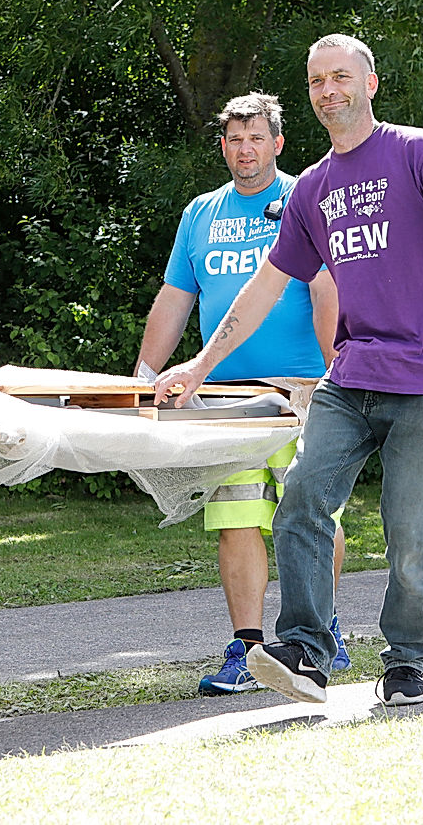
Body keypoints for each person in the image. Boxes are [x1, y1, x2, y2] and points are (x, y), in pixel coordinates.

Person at [154, 34, 423, 707]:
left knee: (410, 532)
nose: (329, 90)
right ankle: (305, 651)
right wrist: (202, 364)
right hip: (351, 378)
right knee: (299, 504)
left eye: (341, 77)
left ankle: (407, 662)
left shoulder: (418, 153)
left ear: (370, 84)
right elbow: (265, 285)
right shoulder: (315, 188)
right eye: (318, 80)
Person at [136, 92, 349, 696]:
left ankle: (318, 633)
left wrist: (335, 366)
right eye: (234, 139)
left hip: (304, 387)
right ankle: (248, 647)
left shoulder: (303, 200)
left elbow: (327, 288)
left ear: (278, 143)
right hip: (223, 392)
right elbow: (176, 297)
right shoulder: (199, 214)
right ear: (223, 145)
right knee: (236, 519)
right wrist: (145, 374)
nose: (245, 150)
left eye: (256, 138)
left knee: (310, 514)